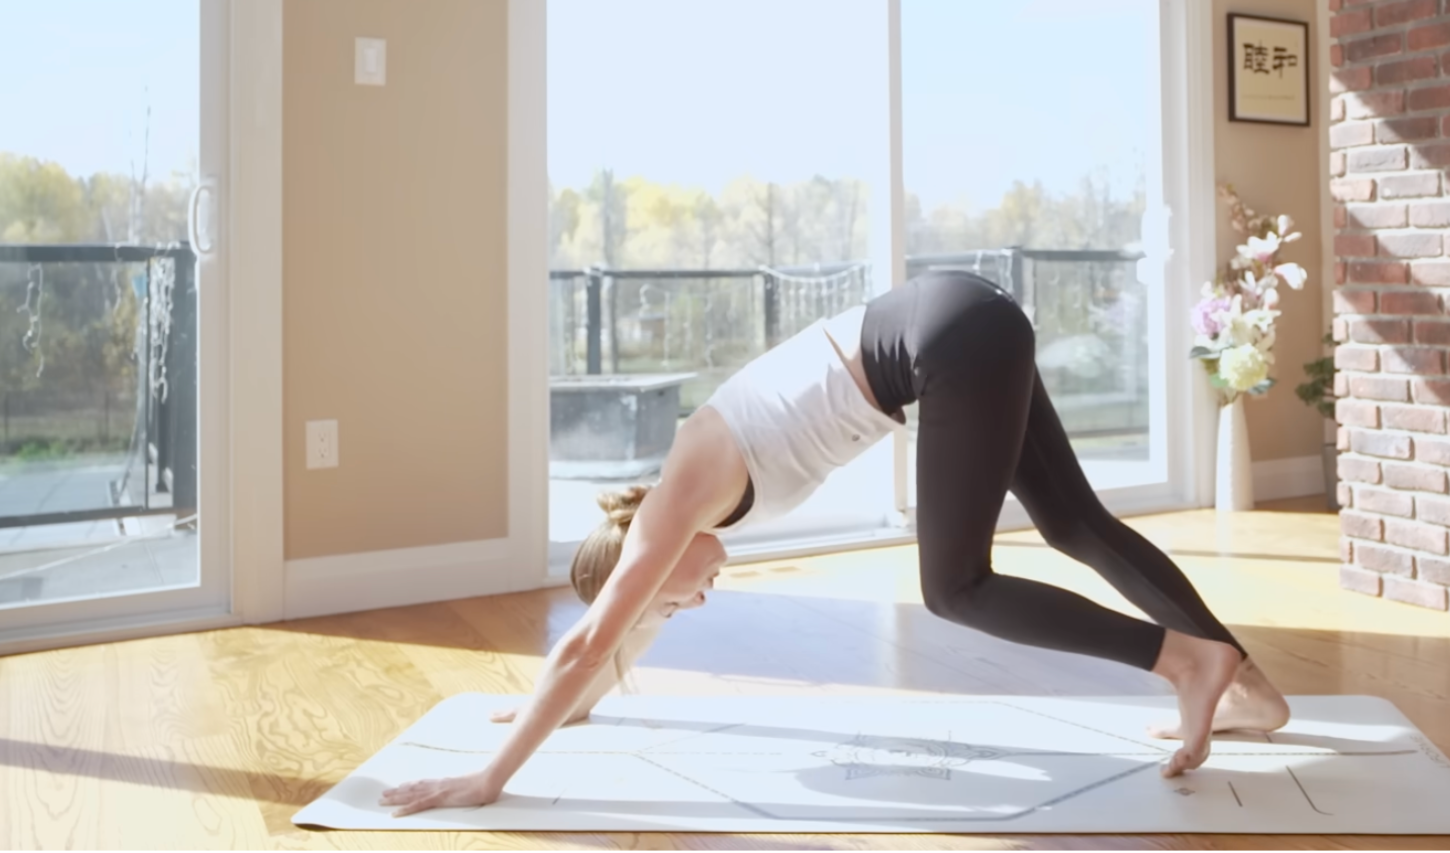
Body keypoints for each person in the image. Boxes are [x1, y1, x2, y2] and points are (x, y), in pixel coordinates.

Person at [381, 270, 1288, 817]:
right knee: (1074, 522)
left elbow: (590, 639)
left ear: (636, 557)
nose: (692, 602)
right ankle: (1239, 680)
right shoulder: (675, 514)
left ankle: (1182, 661)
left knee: (955, 587)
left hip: (950, 340)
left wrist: (490, 777)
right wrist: (550, 703)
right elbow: (613, 642)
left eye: (667, 594)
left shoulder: (674, 502)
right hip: (967, 317)